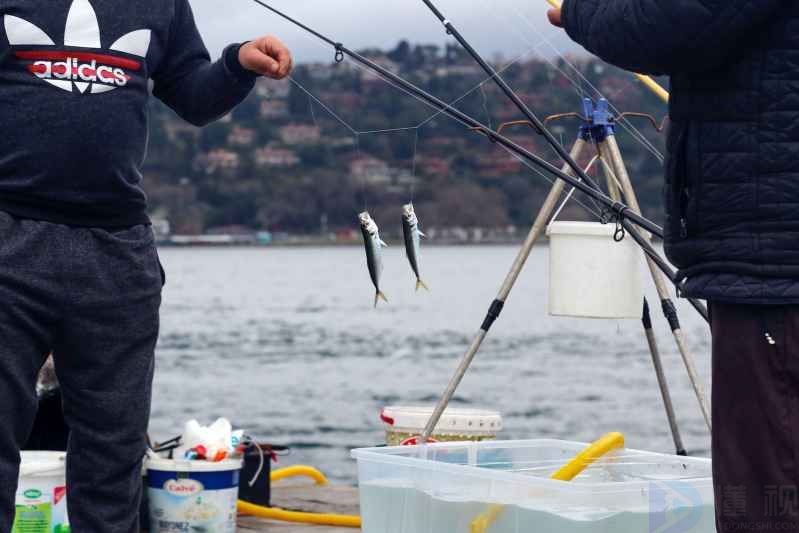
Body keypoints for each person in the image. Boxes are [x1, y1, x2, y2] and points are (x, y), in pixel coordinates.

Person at [0, 0, 292, 529]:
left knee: (113, 453)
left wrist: (237, 63)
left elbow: (194, 95)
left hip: (118, 251)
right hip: (9, 237)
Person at [549, 1, 796, 532]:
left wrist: (579, 11)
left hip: (773, 272)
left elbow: (662, 24)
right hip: (771, 263)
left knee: (765, 496)